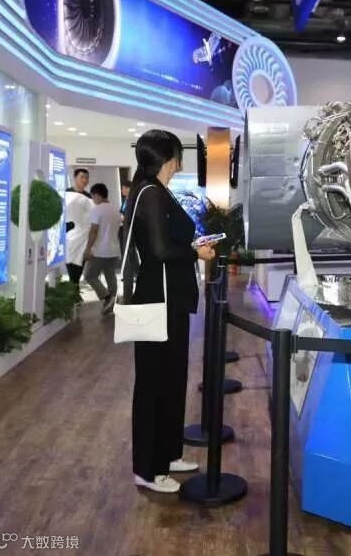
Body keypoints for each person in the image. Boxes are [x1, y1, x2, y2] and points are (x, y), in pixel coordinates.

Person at [123, 130, 215, 494]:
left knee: (172, 379)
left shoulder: (157, 191)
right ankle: (148, 469)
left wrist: (193, 245)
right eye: (177, 154)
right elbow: (160, 251)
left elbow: (165, 242)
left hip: (170, 300)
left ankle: (168, 453)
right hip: (156, 299)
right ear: (168, 156)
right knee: (154, 384)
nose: (180, 161)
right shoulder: (149, 192)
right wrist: (195, 252)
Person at [83, 183, 121, 316]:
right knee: (110, 276)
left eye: (93, 197)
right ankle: (112, 304)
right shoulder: (115, 210)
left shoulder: (97, 210)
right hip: (114, 249)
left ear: (97, 195)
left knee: (89, 275)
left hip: (100, 250)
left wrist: (88, 249)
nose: (93, 200)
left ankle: (107, 297)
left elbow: (94, 231)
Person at [65, 169, 92, 285]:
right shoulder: (66, 193)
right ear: (75, 177)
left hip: (83, 239)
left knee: (78, 269)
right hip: (69, 236)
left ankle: (74, 289)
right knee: (70, 265)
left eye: (86, 177)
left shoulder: (89, 197)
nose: (85, 180)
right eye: (82, 177)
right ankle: (73, 290)